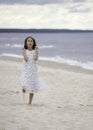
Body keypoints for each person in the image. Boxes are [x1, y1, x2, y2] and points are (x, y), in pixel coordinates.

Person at [20, 36, 42, 105]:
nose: (30, 42)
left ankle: (30, 102)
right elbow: (26, 59)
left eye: (31, 41)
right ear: (26, 43)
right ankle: (24, 88)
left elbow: (35, 58)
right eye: (28, 41)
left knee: (32, 86)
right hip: (26, 70)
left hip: (33, 71)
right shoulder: (25, 51)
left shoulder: (35, 51)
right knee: (25, 83)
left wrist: (35, 50)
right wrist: (23, 51)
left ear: (33, 43)